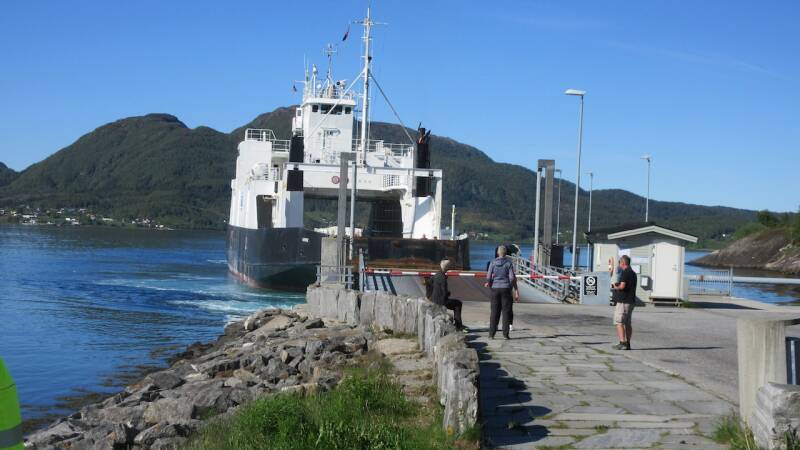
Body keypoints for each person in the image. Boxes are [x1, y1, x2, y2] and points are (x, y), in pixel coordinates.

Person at [485, 245, 519, 339]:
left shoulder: (492, 262)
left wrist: (490, 284)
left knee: (494, 312)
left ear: (497, 253)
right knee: (506, 311)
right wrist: (514, 288)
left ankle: (491, 334)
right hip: (506, 289)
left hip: (495, 288)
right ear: (506, 253)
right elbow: (512, 277)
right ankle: (505, 334)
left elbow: (488, 277)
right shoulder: (509, 263)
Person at [429, 259, 464, 330]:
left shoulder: (437, 274)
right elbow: (444, 292)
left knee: (455, 303)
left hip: (434, 299)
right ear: (447, 267)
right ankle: (458, 325)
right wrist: (448, 294)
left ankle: (458, 324)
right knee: (458, 303)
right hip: (441, 301)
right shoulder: (443, 278)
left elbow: (429, 283)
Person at [611, 255, 637, 350]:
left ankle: (622, 342)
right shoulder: (633, 273)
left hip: (623, 301)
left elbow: (622, 286)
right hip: (631, 301)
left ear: (623, 263)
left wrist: (615, 287)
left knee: (619, 322)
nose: (619, 265)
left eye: (619, 263)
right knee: (627, 323)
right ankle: (628, 343)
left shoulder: (625, 273)